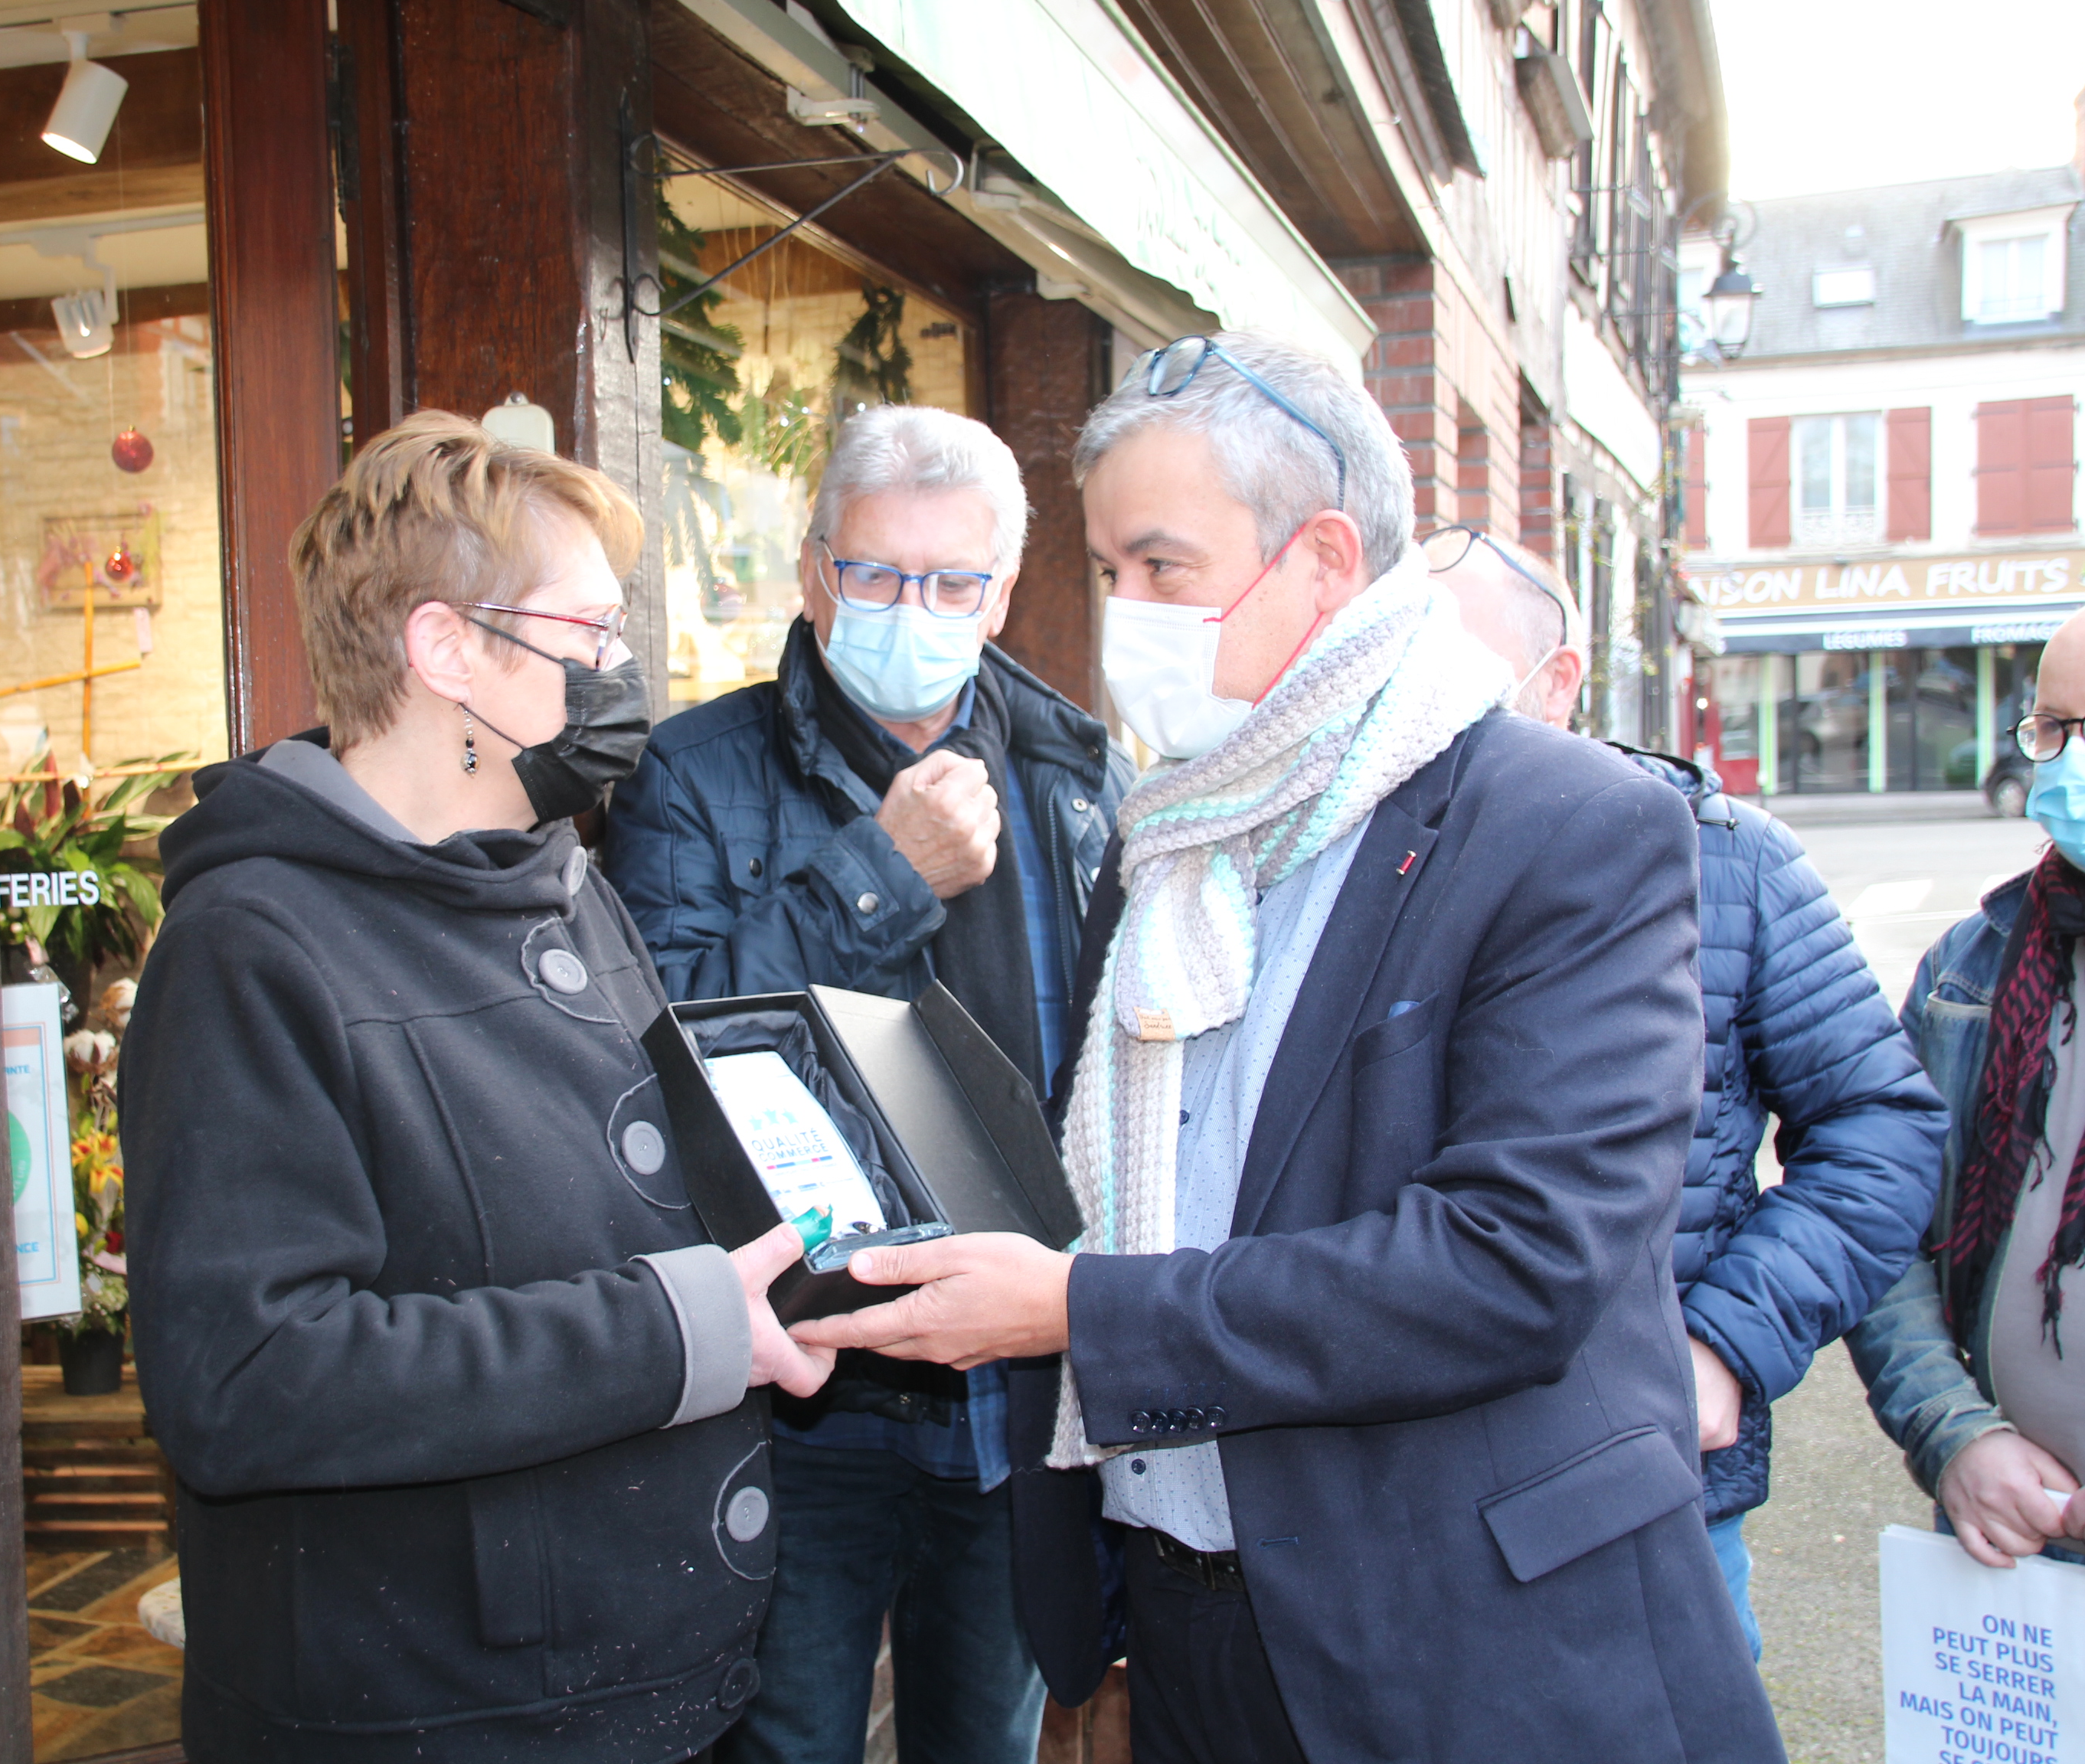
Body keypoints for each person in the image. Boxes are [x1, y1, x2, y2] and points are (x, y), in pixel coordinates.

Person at [794, 332, 1784, 1763]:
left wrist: (1077, 1313)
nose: (1123, 612)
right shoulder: (1176, 830)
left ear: (1322, 560)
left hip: (1462, 1635)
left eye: (1162, 568)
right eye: (1109, 572)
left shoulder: (1567, 825)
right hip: (1187, 1619)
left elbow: (1517, 1261)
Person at [120, 412, 835, 1763]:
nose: (625, 672)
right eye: (588, 634)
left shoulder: (562, 885)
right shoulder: (251, 947)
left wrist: (820, 1263)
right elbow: (250, 1377)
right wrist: (679, 1330)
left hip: (650, 1690)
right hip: (438, 1717)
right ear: (447, 648)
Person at [608, 405, 1133, 1764]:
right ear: (813, 570)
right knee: (788, 1737)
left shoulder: (1077, 772)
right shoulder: (697, 772)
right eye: (879, 573)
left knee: (989, 1738)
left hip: (1012, 1380)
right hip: (809, 1380)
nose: (918, 606)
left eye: (956, 581)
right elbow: (661, 1046)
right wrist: (883, 872)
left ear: (1004, 591)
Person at [1436, 524, 1948, 1655]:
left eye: (1448, 679)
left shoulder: (1730, 861)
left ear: (1556, 682)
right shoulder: (1355, 871)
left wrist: (1725, 1345)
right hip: (1397, 1504)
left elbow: (1882, 1128)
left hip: (1650, 1487)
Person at [1849, 593, 2085, 1592]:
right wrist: (1955, 1434)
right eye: (2055, 728)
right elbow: (1883, 1229)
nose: (2076, 760)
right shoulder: (1975, 969)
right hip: (2016, 1545)